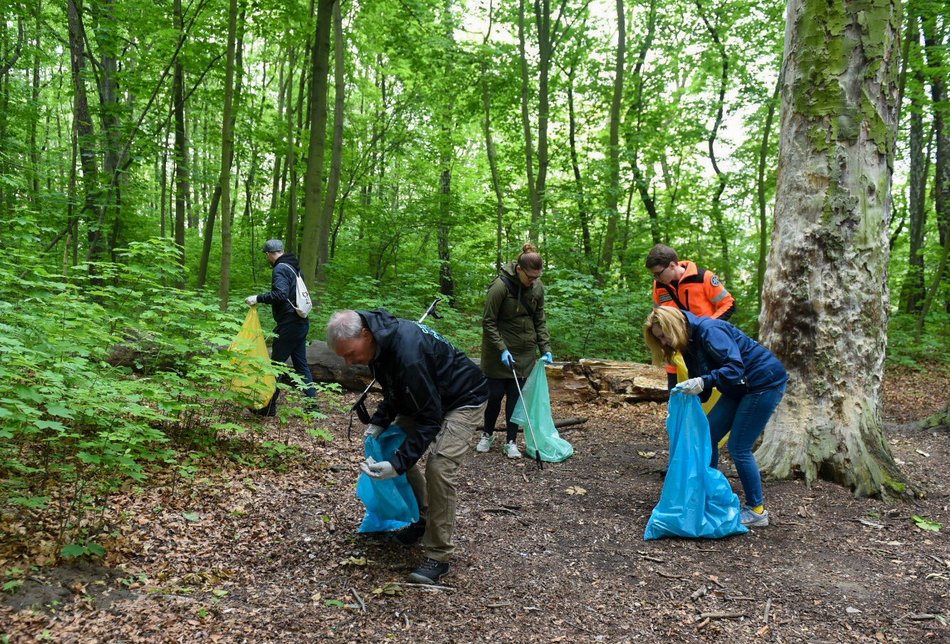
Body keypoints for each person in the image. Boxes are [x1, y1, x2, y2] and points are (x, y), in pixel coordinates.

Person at [327, 308, 488, 585]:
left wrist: (399, 464)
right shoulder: (380, 343)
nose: (350, 361)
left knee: (439, 467)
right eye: (344, 357)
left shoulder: (408, 353)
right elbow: (396, 389)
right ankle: (423, 518)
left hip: (464, 398)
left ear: (365, 334)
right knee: (389, 444)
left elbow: (429, 418)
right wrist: (379, 423)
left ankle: (438, 555)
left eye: (351, 354)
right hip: (430, 397)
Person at [643, 306, 787, 527]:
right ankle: (706, 495)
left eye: (664, 335)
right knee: (706, 435)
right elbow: (702, 382)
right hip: (738, 387)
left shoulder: (710, 331)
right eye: (659, 338)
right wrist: (684, 406)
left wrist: (702, 382)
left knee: (739, 447)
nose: (663, 342)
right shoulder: (687, 343)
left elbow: (734, 369)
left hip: (762, 383)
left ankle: (757, 511)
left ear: (674, 325)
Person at [478, 243, 553, 459]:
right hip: (498, 353)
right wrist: (502, 349)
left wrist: (545, 348)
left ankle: (511, 441)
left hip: (525, 353)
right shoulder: (499, 287)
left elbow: (539, 320)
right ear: (519, 269)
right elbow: (488, 322)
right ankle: (487, 434)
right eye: (530, 277)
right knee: (494, 396)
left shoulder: (537, 288)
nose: (533, 281)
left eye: (537, 277)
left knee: (515, 396)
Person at [645, 244, 735, 390]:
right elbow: (658, 314)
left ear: (672, 265)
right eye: (654, 275)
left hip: (704, 347)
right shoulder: (659, 285)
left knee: (706, 393)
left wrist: (708, 327)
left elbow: (728, 304)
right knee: (675, 394)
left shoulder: (703, 277)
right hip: (675, 349)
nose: (656, 278)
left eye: (658, 273)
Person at [245, 239, 317, 415]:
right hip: (301, 322)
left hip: (289, 324)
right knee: (301, 365)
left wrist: (258, 298)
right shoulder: (295, 268)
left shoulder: (280, 269)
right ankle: (311, 404)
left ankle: (268, 407)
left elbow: (280, 294)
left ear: (269, 254)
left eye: (267, 255)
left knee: (275, 365)